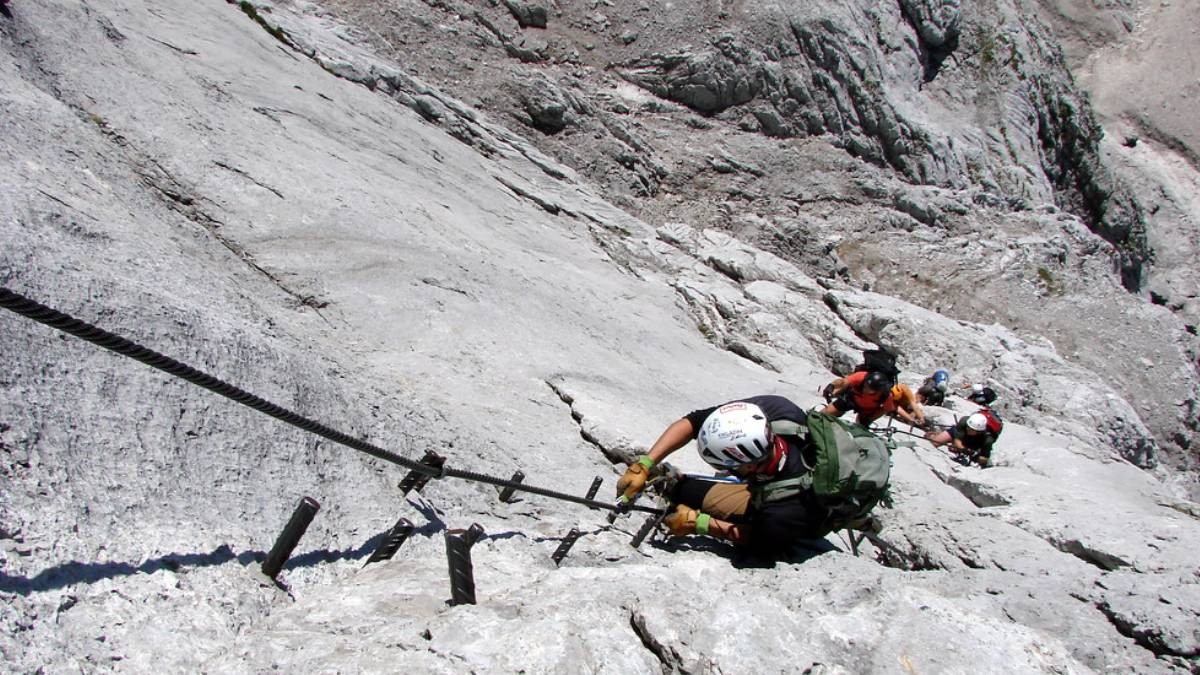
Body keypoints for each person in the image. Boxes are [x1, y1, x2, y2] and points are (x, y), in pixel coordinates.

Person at [615, 396, 878, 557]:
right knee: (682, 490)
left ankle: (852, 519)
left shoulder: (787, 508)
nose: (726, 472)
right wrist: (645, 464)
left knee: (702, 504)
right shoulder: (776, 410)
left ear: (749, 467)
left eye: (730, 469)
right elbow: (695, 422)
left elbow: (760, 540)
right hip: (771, 486)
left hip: (796, 513)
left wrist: (700, 524)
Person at [822, 372, 927, 428]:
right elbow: (844, 382)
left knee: (861, 429)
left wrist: (871, 419)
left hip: (868, 409)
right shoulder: (861, 376)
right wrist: (832, 386)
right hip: (852, 398)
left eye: (869, 388)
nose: (865, 389)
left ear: (878, 390)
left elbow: (885, 409)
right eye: (866, 385)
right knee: (825, 413)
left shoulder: (886, 395)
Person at [925, 411, 1000, 467]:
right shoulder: (964, 421)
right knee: (933, 443)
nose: (968, 429)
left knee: (957, 448)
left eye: (971, 429)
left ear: (979, 431)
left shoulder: (988, 440)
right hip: (962, 436)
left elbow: (984, 458)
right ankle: (935, 435)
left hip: (975, 443)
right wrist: (963, 449)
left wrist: (976, 456)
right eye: (968, 427)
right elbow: (958, 440)